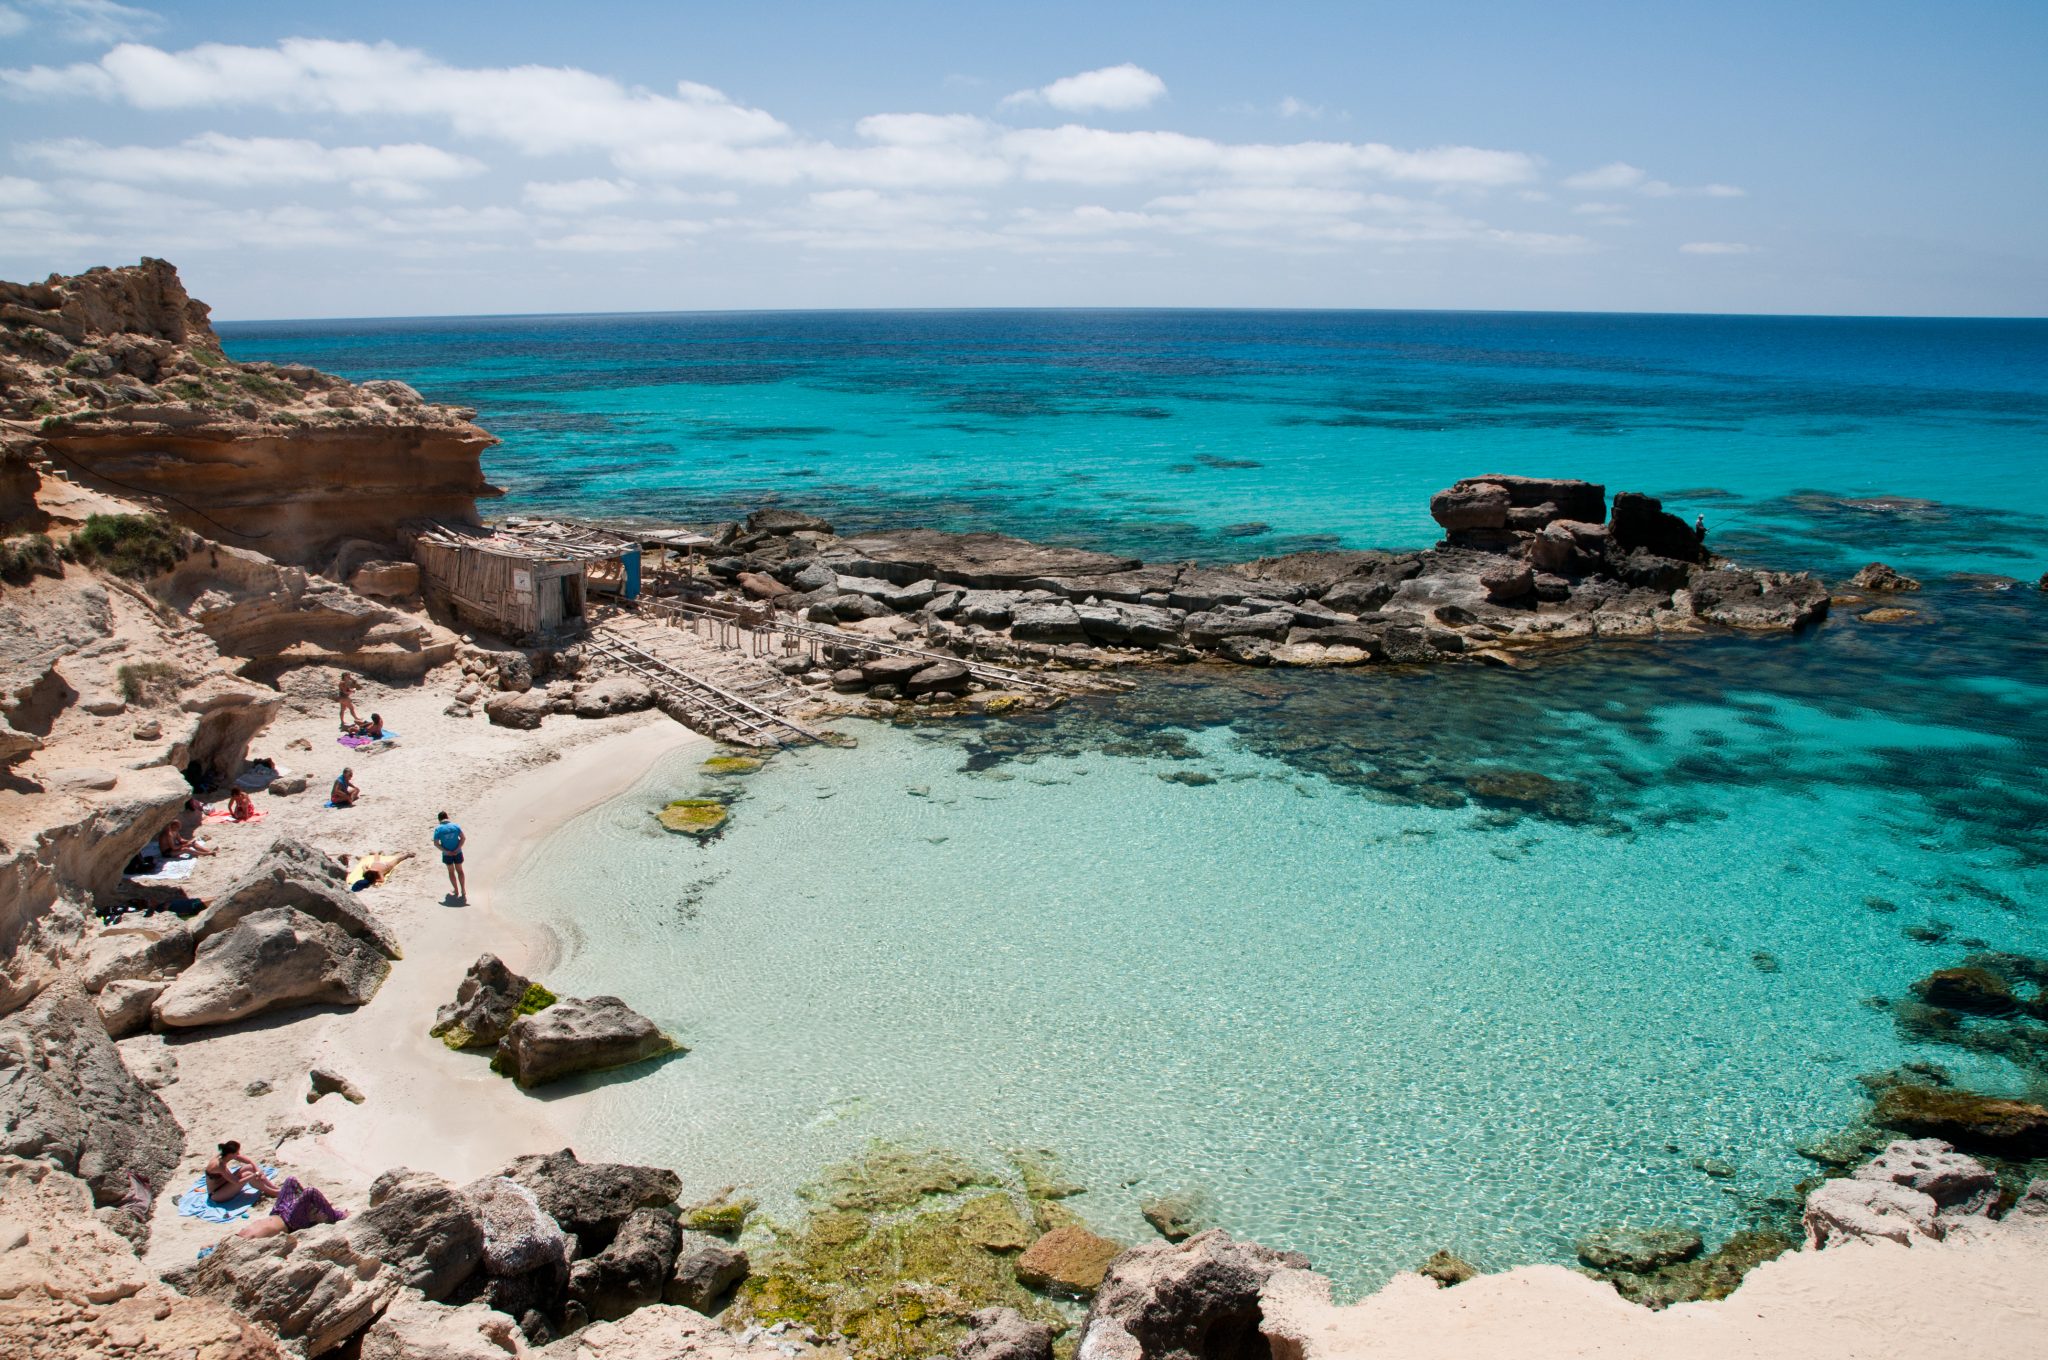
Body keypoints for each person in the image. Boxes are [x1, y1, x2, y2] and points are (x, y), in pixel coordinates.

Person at [205, 1141, 278, 1205]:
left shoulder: (225, 1154)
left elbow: (250, 1162)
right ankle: (272, 1192)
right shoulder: (220, 1166)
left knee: (250, 1167)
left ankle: (274, 1187)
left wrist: (258, 1171)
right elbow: (237, 1182)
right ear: (231, 1154)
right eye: (237, 1152)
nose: (239, 1154)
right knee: (248, 1175)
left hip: (224, 1183)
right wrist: (254, 1175)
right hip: (216, 1194)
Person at [433, 812, 466, 902]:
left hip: (447, 854)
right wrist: (457, 848)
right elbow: (463, 838)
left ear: (439, 820)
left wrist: (446, 851)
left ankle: (456, 890)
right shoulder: (456, 826)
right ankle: (463, 890)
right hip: (457, 852)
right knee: (460, 871)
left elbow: (436, 843)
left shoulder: (438, 829)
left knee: (451, 872)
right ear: (447, 817)